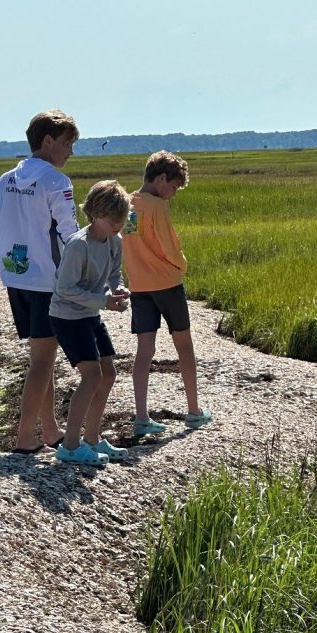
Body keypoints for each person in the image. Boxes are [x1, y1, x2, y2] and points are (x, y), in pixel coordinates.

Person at [0, 109, 79, 453]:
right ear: (48, 141)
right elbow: (70, 235)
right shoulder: (56, 181)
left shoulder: (5, 179)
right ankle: (24, 438)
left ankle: (50, 431)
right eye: (68, 143)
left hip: (17, 280)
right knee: (41, 361)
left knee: (43, 356)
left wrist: (8, 266)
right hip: (48, 284)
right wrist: (83, 275)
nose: (71, 151)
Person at [122, 150, 211, 436]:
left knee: (144, 349)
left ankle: (141, 416)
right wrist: (181, 266)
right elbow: (169, 246)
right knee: (184, 344)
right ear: (161, 178)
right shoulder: (156, 206)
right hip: (167, 284)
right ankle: (194, 410)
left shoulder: (127, 203)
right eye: (173, 187)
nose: (173, 194)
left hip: (139, 286)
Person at [49, 180, 132, 466]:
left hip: (90, 315)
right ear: (95, 214)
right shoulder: (78, 246)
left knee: (108, 373)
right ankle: (70, 446)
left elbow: (114, 275)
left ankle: (93, 439)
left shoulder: (114, 240)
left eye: (121, 221)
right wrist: (103, 301)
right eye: (113, 221)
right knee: (92, 376)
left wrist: (118, 291)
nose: (117, 226)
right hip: (68, 317)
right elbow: (64, 289)